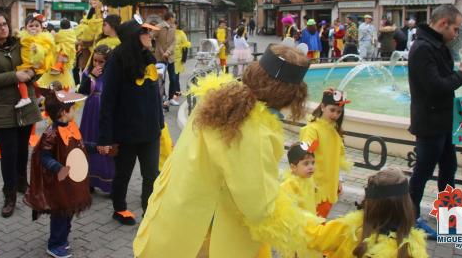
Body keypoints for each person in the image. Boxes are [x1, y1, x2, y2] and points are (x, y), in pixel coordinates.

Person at [133, 44, 320, 258]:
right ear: (290, 95)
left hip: (174, 217)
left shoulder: (220, 99)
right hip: (204, 237)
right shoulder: (257, 130)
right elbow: (258, 207)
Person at [408, 4, 462, 238]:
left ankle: (447, 213)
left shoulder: (436, 45)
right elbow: (435, 87)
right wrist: (461, 77)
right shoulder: (422, 48)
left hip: (443, 120)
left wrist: (460, 72)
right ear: (443, 24)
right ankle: (409, 218)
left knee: (449, 168)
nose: (457, 33)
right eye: (455, 29)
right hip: (429, 122)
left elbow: (442, 78)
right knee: (422, 172)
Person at [97, 18, 162, 226]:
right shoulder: (117, 61)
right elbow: (107, 102)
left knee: (151, 175)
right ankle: (119, 208)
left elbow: (155, 96)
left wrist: (160, 123)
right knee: (123, 174)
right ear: (134, 38)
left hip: (150, 131)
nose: (149, 36)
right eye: (144, 33)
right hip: (126, 132)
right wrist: (105, 138)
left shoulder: (147, 57)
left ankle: (149, 214)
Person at [0, 10, 42, 217]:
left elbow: (36, 64)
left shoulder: (20, 43)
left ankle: (22, 183)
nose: (3, 28)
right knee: (9, 154)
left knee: (23, 150)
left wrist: (32, 72)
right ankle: (9, 193)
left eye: (4, 23)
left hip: (25, 106)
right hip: (3, 110)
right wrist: (15, 76)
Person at [24, 88, 91, 258]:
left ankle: (62, 238)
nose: (75, 110)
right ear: (63, 113)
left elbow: (80, 146)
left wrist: (97, 147)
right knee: (60, 212)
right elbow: (43, 156)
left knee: (68, 210)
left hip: (71, 181)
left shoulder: (71, 127)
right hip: (59, 182)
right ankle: (54, 244)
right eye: (72, 108)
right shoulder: (51, 134)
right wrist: (59, 168)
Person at [304, 167, 428, 258]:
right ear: (406, 205)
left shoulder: (350, 229)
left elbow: (313, 236)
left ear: (370, 202)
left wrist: (292, 207)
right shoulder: (414, 247)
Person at [300, 88, 352, 218]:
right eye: (332, 110)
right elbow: (303, 157)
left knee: (319, 223)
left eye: (339, 112)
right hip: (314, 187)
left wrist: (339, 180)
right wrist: (307, 182)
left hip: (330, 189)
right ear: (323, 107)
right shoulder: (312, 130)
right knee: (310, 225)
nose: (335, 115)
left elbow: (339, 159)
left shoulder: (335, 133)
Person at [78, 45, 115, 194]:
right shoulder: (88, 72)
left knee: (105, 146)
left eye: (101, 62)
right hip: (90, 113)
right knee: (88, 145)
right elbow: (82, 92)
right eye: (95, 61)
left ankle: (109, 183)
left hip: (105, 113)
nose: (97, 65)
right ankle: (89, 181)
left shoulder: (113, 75)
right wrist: (91, 76)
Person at [15, 14, 55, 108]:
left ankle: (25, 98)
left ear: (41, 28)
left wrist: (37, 49)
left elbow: (46, 50)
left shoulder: (44, 39)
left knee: (20, 79)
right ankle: (39, 96)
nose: (34, 28)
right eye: (31, 26)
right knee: (32, 83)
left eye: (37, 26)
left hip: (37, 65)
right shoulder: (23, 38)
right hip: (26, 63)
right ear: (25, 28)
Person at [39, 18, 76, 91]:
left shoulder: (60, 33)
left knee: (61, 54)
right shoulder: (72, 33)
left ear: (61, 27)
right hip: (69, 51)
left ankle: (57, 67)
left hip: (62, 51)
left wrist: (53, 36)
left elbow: (56, 39)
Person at [154, 12, 178, 105]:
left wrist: (168, 52)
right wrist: (161, 52)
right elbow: (153, 37)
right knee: (160, 78)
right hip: (160, 57)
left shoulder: (173, 27)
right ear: (170, 18)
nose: (175, 19)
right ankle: (162, 97)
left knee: (173, 78)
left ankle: (171, 98)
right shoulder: (159, 26)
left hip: (170, 57)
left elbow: (174, 42)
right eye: (174, 17)